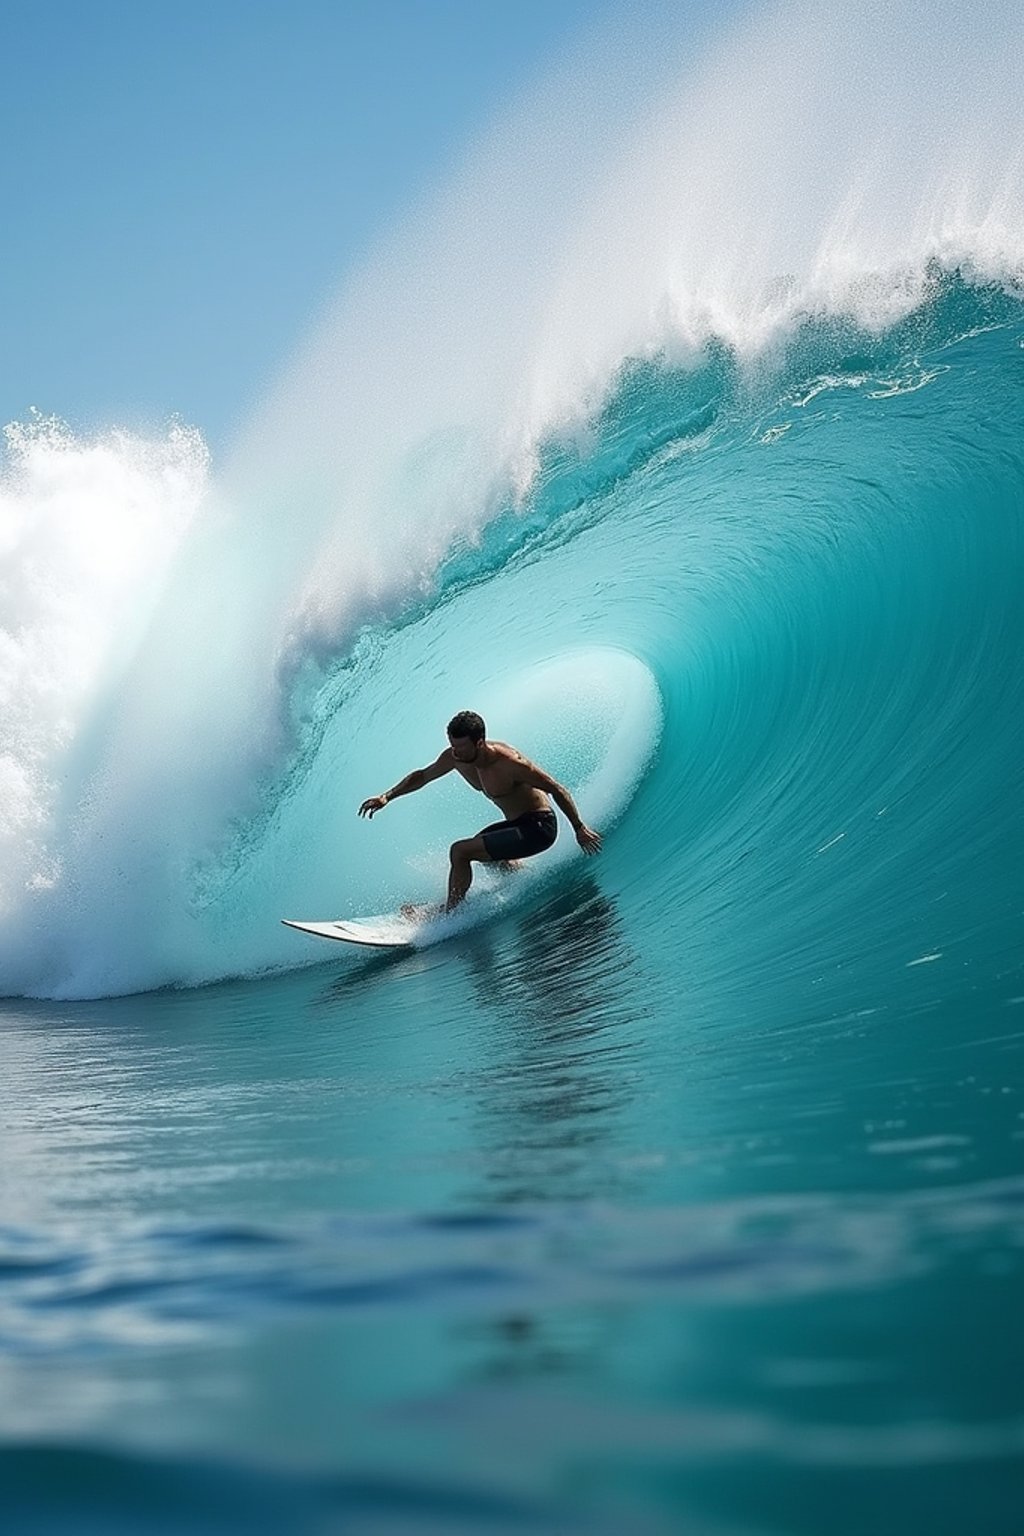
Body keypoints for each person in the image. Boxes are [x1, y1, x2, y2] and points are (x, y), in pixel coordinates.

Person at [358, 709, 601, 912]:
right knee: (482, 847)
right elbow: (423, 776)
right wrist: (386, 796)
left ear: (480, 742)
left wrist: (579, 828)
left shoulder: (510, 763)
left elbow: (556, 789)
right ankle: (522, 879)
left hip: (539, 828)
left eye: (461, 747)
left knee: (461, 851)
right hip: (516, 825)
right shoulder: (455, 758)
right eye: (452, 745)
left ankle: (450, 913)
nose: (455, 752)